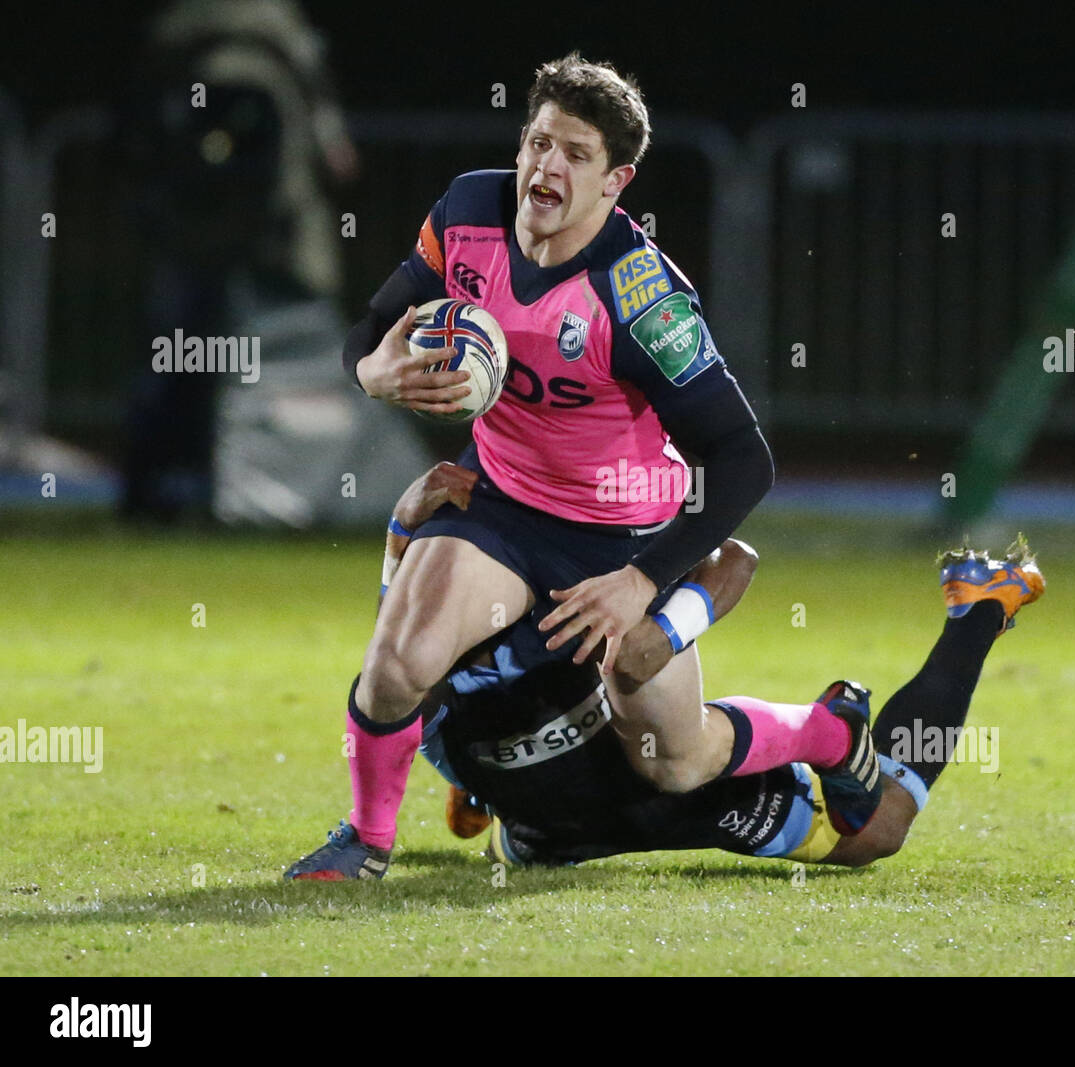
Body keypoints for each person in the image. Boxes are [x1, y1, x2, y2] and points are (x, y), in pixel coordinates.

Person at [292, 54, 899, 879]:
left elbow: (744, 459)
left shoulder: (639, 295)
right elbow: (373, 328)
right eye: (538, 143)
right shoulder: (469, 210)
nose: (545, 167)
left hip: (622, 534)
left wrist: (643, 578)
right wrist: (373, 372)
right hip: (502, 508)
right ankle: (364, 843)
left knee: (672, 759)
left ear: (616, 180)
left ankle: (827, 731)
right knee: (397, 663)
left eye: (574, 155)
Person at [285, 464, 1045, 878]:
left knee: (877, 830)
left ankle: (977, 610)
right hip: (550, 837)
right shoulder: (418, 665)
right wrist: (398, 527)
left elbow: (733, 560)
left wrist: (667, 628)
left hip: (663, 795)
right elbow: (405, 668)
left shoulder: (574, 558)